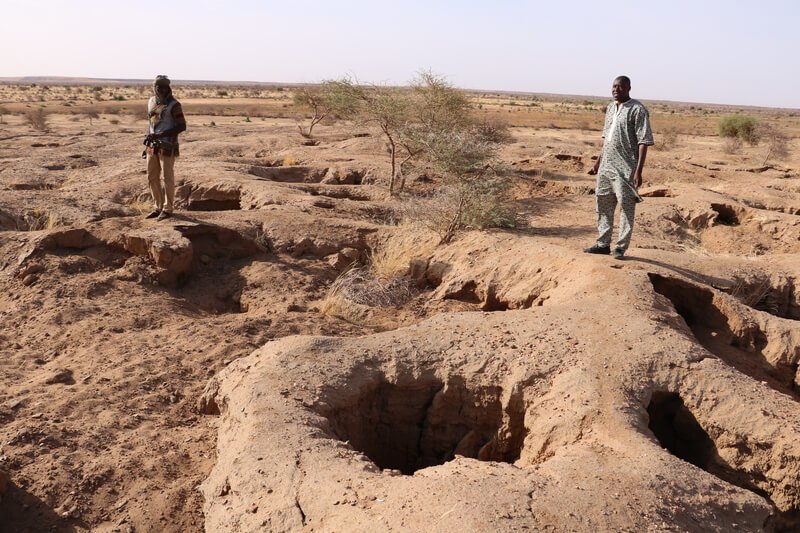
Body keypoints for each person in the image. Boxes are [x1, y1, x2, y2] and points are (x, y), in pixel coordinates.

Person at [585, 75, 654, 259]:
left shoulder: (637, 110)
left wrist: (638, 170)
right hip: (606, 166)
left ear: (629, 88)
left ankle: (621, 247)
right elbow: (607, 139)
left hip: (626, 168)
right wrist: (598, 162)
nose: (616, 90)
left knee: (626, 207)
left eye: (620, 87)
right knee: (603, 204)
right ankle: (602, 243)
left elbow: (643, 141)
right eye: (614, 86)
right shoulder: (610, 107)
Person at [144, 75, 186, 220]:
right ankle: (157, 206)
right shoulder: (150, 102)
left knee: (167, 177)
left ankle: (168, 209)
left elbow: (182, 126)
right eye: (159, 87)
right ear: (154, 88)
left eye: (165, 87)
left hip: (168, 146)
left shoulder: (174, 105)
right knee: (152, 176)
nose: (163, 90)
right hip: (151, 146)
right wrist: (150, 137)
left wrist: (162, 134)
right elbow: (151, 123)